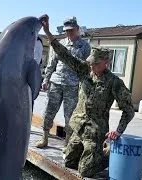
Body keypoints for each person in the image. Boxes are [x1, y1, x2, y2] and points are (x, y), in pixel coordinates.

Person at [40, 14, 135, 178]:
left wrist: (118, 132)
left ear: (106, 62)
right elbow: (64, 54)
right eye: (91, 62)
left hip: (95, 132)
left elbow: (129, 110)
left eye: (96, 64)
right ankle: (90, 153)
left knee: (85, 171)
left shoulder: (114, 82)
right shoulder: (85, 70)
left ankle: (106, 155)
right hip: (79, 127)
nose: (91, 66)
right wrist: (48, 32)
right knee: (69, 162)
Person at [35, 16, 91, 149]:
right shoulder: (60, 43)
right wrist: (46, 79)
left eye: (71, 30)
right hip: (56, 82)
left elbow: (86, 68)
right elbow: (52, 63)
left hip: (72, 85)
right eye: (66, 31)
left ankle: (68, 142)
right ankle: (45, 138)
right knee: (49, 110)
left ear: (77, 29)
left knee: (70, 115)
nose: (69, 33)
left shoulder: (85, 46)